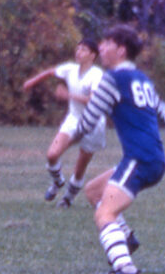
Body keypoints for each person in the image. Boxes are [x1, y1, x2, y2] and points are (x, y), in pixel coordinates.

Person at [57, 24, 165, 274]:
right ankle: (126, 240)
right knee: (93, 191)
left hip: (140, 159)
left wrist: (66, 140)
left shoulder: (112, 80)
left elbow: (89, 120)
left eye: (106, 43)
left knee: (104, 214)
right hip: (149, 157)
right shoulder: (142, 79)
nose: (100, 47)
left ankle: (125, 270)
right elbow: (163, 109)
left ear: (121, 50)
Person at [21, 39, 106, 207]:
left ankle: (68, 198)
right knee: (52, 154)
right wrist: (32, 82)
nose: (78, 52)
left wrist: (68, 96)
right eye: (78, 48)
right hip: (74, 118)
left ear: (93, 55)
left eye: (83, 49)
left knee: (81, 164)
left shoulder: (97, 74)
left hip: (93, 123)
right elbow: (51, 72)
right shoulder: (70, 69)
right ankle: (58, 181)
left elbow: (94, 100)